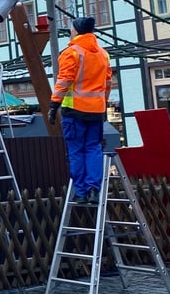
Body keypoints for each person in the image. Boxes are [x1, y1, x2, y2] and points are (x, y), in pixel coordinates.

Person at [48, 16, 112, 204]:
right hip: (96, 111)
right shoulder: (103, 54)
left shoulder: (72, 52)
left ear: (76, 30)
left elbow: (64, 81)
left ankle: (81, 192)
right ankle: (94, 189)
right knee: (93, 148)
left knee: (76, 150)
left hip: (74, 110)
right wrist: (103, 104)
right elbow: (107, 84)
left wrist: (54, 104)